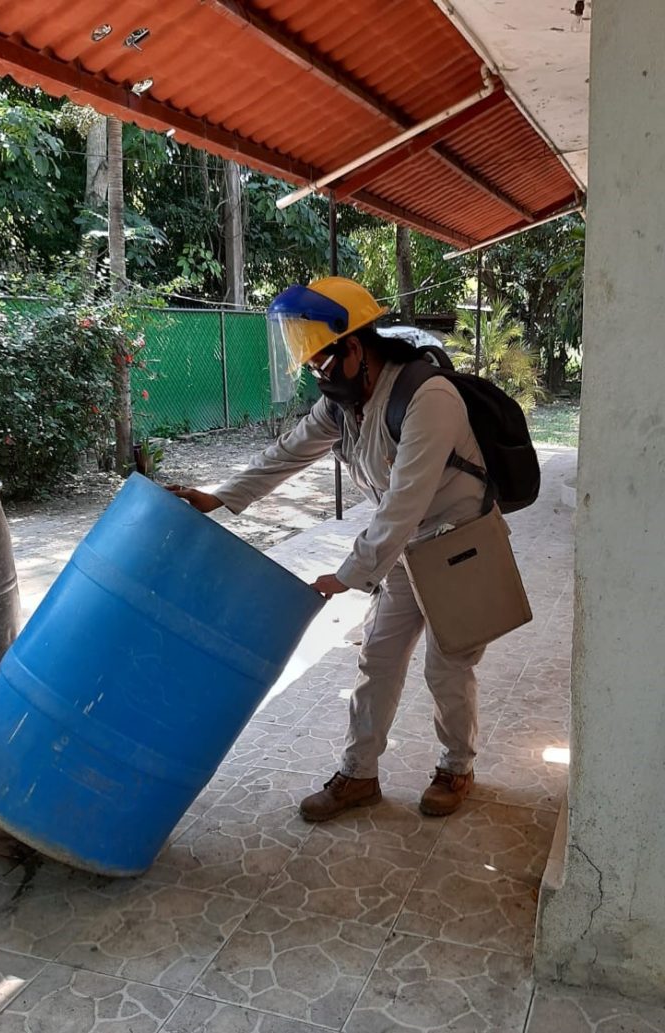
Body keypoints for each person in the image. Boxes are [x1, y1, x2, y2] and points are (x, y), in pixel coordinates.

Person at [169, 276, 487, 820]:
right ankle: (359, 775)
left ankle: (457, 766)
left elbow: (402, 503)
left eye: (321, 362)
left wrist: (348, 573)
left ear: (355, 348)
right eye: (310, 365)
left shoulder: (428, 398)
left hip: (457, 545)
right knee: (377, 659)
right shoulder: (344, 404)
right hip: (405, 549)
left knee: (446, 667)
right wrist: (219, 497)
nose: (317, 375)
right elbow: (286, 453)